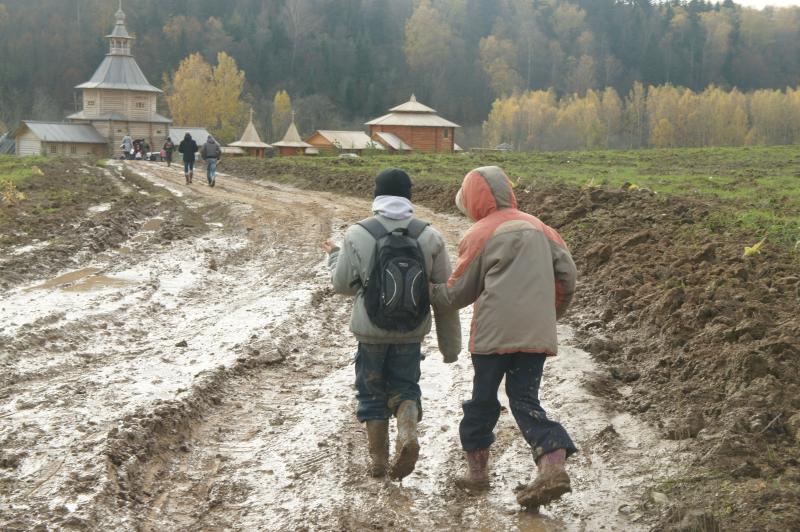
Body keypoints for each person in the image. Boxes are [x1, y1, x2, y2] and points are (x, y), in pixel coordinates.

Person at [429, 166, 577, 510]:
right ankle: (552, 459)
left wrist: (429, 290)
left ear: (473, 200)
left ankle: (478, 474)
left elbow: (457, 294)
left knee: (483, 401)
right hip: (536, 335)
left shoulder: (480, 233)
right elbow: (568, 278)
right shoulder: (544, 230)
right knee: (525, 399)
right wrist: (550, 315)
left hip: (492, 338)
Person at [322, 168, 461, 481]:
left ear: (377, 194)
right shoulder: (430, 235)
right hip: (410, 332)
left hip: (370, 332)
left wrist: (334, 257)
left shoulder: (358, 233)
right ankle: (407, 429)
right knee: (406, 387)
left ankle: (378, 461)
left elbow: (342, 285)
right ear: (408, 196)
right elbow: (444, 294)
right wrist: (450, 347)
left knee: (371, 392)